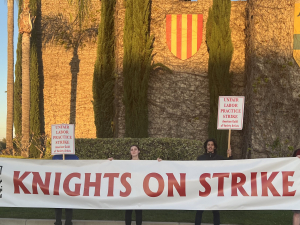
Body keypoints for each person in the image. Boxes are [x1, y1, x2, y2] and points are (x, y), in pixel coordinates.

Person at [109, 145, 161, 225]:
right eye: (131, 150)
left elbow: (152, 169)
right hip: (128, 191)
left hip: (139, 190)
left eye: (135, 149)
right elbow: (118, 168)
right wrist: (112, 162)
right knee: (128, 211)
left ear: (138, 151)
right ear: (130, 152)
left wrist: (158, 162)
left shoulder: (144, 164)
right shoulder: (126, 163)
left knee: (139, 212)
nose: (133, 151)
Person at [195, 138, 232, 225]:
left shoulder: (219, 158)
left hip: (215, 188)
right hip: (203, 189)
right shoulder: (200, 158)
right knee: (199, 210)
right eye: (208, 145)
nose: (210, 146)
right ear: (206, 147)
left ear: (214, 147)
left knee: (215, 211)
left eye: (212, 145)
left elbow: (230, 166)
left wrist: (230, 156)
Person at [52, 154, 79, 225]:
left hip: (70, 185)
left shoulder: (74, 157)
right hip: (58, 184)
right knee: (58, 205)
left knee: (69, 205)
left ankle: (68, 222)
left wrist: (108, 163)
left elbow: (81, 169)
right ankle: (58, 222)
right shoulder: (55, 157)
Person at [292, 149, 300, 225]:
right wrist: (295, 160)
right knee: (297, 214)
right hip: (298, 189)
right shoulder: (297, 151)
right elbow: (291, 166)